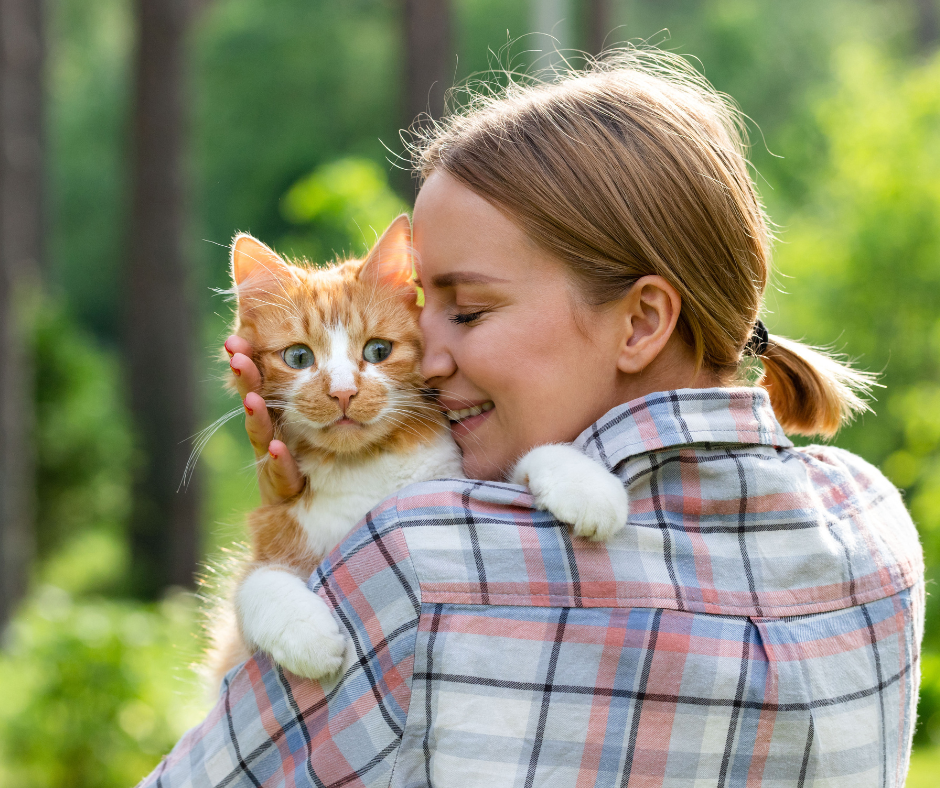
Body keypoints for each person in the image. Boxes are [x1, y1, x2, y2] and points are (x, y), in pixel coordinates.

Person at [138, 49, 923, 787]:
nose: (426, 354)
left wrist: (318, 536)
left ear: (642, 322)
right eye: (422, 310)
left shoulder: (426, 561)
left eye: (468, 311)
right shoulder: (872, 524)